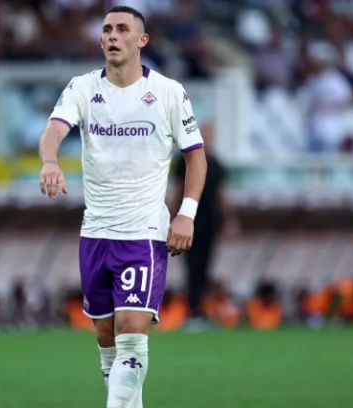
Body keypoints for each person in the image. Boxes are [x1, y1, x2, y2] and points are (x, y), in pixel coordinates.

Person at [38, 6, 207, 407]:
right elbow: (53, 130)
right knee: (106, 340)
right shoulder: (82, 88)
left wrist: (186, 214)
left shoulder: (168, 92)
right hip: (96, 232)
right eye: (107, 29)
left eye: (122, 29)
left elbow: (196, 156)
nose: (113, 35)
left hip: (143, 233)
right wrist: (49, 161)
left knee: (131, 332)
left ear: (141, 40)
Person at [171, 124, 240, 329]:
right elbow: (178, 189)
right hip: (189, 221)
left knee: (204, 267)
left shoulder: (216, 163)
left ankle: (200, 311)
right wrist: (172, 215)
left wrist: (229, 220)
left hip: (210, 221)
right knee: (192, 266)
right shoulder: (184, 160)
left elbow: (221, 194)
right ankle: (192, 311)